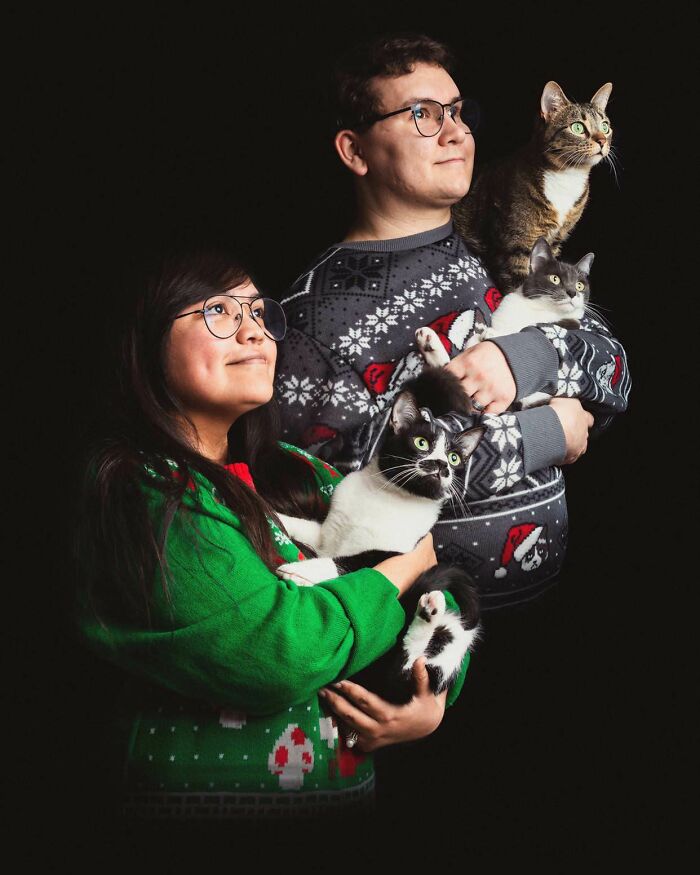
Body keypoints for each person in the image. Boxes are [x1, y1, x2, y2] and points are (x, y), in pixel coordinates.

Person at [73, 248, 470, 821]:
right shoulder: (143, 486)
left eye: (260, 314)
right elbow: (277, 653)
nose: (255, 333)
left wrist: (429, 698)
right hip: (190, 822)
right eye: (220, 313)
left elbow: (444, 604)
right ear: (147, 340)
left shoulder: (298, 470)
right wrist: (402, 568)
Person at [275, 33, 630, 612]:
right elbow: (348, 498)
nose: (456, 131)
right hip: (421, 650)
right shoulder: (310, 322)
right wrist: (545, 434)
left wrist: (527, 360)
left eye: (458, 112)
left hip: (567, 630)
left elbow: (615, 374)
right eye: (422, 115)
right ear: (354, 150)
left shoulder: (502, 248)